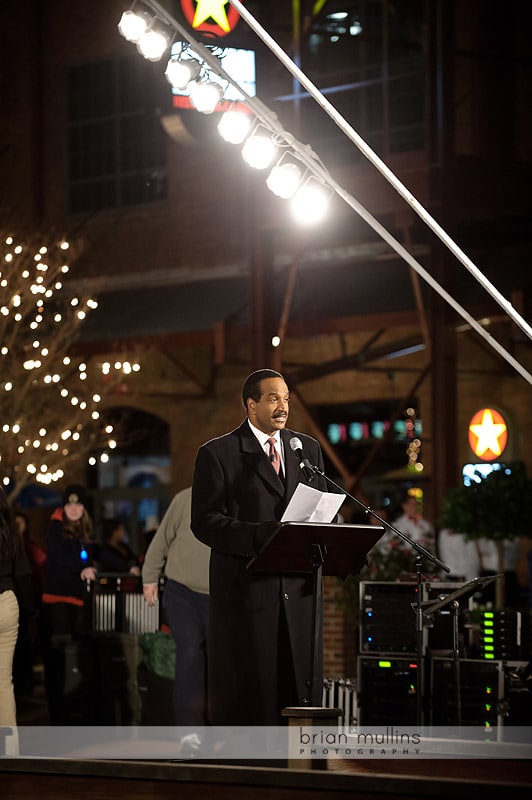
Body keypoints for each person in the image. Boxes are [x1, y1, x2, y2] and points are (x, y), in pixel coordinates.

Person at [191, 368, 332, 726]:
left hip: (299, 593)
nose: (283, 406)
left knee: (297, 682)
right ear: (251, 405)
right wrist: (256, 535)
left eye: (286, 398)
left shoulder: (307, 449)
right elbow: (205, 521)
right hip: (249, 593)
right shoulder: (218, 454)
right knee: (255, 694)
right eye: (273, 398)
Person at [142, 486, 210, 729]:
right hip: (183, 592)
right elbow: (161, 540)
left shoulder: (237, 497)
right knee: (190, 654)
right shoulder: (185, 499)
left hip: (220, 596)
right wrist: (149, 577)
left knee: (219, 661)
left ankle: (217, 726)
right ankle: (190, 730)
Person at [41, 484, 96, 723]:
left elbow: (95, 553)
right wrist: (82, 570)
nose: (74, 509)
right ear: (64, 507)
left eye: (78, 504)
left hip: (74, 600)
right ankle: (59, 714)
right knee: (60, 659)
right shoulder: (56, 528)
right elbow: (60, 560)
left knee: (73, 657)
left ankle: (71, 711)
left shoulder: (81, 529)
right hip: (58, 601)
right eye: (70, 504)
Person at [0, 488, 36, 739]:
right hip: (7, 602)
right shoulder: (11, 532)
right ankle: (9, 749)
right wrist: (31, 614)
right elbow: (23, 574)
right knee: (3, 681)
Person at [13, 512, 46, 695]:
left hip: (29, 597)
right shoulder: (15, 545)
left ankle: (25, 681)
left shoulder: (30, 546)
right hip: (17, 598)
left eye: (21, 522)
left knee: (26, 644)